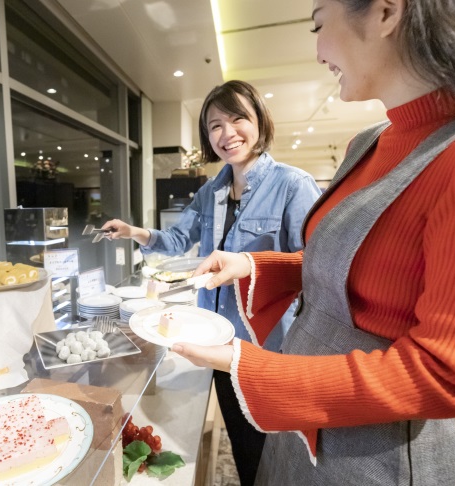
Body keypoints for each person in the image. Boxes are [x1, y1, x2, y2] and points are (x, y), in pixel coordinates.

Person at [172, 0, 455, 484]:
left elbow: (452, 373)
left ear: (385, 13)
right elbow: (351, 263)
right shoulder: (372, 141)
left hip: (369, 447)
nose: (319, 51)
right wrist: (257, 267)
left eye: (319, 25)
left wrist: (252, 366)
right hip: (303, 414)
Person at [102, 80, 321, 484]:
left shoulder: (293, 185)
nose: (227, 133)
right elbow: (177, 239)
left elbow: (316, 265)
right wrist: (135, 232)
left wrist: (251, 264)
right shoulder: (211, 190)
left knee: (273, 448)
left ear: (259, 121)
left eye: (238, 119)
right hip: (218, 341)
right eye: (215, 125)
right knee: (242, 443)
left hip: (267, 346)